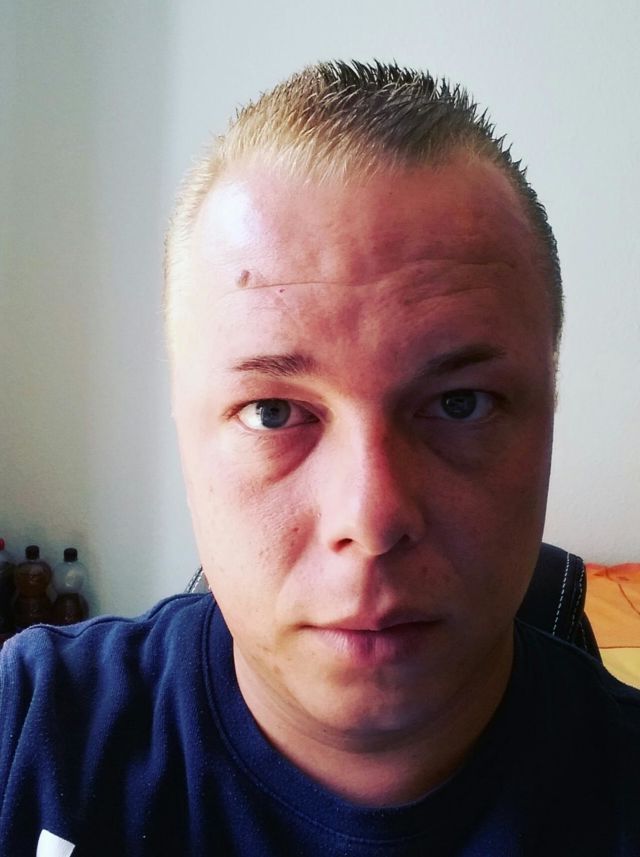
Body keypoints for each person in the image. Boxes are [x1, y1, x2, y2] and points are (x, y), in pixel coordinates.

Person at [1, 60, 639, 857]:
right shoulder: (28, 733)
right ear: (184, 427)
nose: (371, 519)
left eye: (459, 403)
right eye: (273, 411)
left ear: (548, 412)